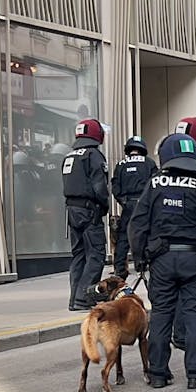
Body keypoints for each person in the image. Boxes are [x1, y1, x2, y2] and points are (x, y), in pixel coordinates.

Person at [128, 133, 196, 390]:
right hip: (194, 259)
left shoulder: (154, 184)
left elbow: (137, 225)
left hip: (161, 259)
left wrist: (139, 258)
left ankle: (157, 373)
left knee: (162, 314)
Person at [62, 118, 110, 311]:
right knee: (96, 254)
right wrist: (104, 207)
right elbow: (100, 187)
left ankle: (74, 299)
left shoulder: (70, 156)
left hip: (72, 211)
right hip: (90, 211)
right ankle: (84, 297)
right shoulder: (94, 156)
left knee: (79, 255)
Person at [109, 135, 153, 274]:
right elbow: (155, 183)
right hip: (143, 203)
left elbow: (115, 185)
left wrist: (123, 201)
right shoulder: (149, 163)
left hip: (127, 204)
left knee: (123, 237)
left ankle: (120, 268)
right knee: (145, 233)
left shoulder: (121, 165)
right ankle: (142, 263)